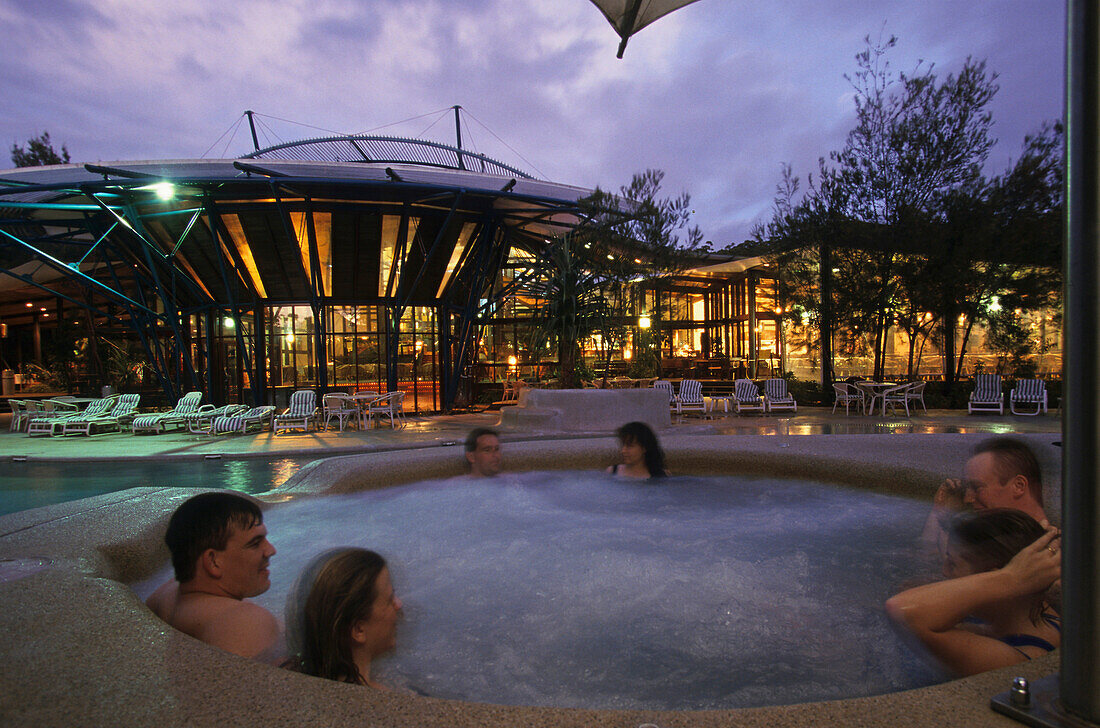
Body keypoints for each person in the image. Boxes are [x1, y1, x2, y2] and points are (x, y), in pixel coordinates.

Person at [886, 509, 1061, 677]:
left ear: (993, 577)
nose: (944, 571)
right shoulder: (1034, 613)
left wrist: (1011, 577)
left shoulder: (1014, 659)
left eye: (952, 564)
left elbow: (900, 610)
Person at [145, 492, 281, 661]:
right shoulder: (245, 622)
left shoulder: (164, 595)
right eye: (255, 543)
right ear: (213, 561)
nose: (271, 550)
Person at [287, 548, 402, 688]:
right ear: (359, 630)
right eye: (390, 599)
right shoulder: (379, 700)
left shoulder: (291, 672)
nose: (398, 604)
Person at [922, 437, 1049, 558]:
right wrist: (941, 512)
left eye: (977, 488)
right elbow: (930, 553)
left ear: (1019, 486)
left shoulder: (1047, 556)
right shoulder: (1010, 540)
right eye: (968, 488)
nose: (968, 499)